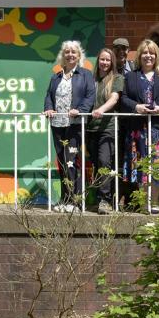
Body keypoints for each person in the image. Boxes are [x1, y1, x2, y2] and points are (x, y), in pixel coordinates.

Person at [121, 39, 159, 213]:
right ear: (139, 55)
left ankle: (155, 202)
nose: (148, 56)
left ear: (157, 56)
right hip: (138, 129)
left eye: (152, 53)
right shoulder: (131, 76)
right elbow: (124, 97)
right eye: (145, 53)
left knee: (158, 165)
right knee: (141, 165)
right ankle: (144, 203)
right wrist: (136, 107)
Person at [44, 41, 97, 213]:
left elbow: (90, 96)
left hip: (74, 124)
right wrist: (48, 108)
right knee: (61, 161)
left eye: (74, 52)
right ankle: (64, 199)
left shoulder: (86, 74)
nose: (70, 55)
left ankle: (73, 201)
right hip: (58, 124)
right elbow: (48, 96)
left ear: (79, 55)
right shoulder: (56, 77)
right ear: (63, 56)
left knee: (71, 161)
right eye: (67, 52)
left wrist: (80, 110)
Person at [85, 47, 123, 214]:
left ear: (112, 62)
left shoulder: (117, 78)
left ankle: (105, 200)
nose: (105, 62)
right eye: (102, 59)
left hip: (107, 127)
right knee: (95, 164)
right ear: (98, 60)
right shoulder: (90, 78)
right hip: (90, 128)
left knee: (104, 161)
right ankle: (98, 197)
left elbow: (114, 98)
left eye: (108, 60)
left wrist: (102, 109)